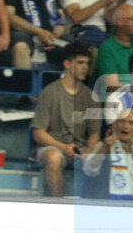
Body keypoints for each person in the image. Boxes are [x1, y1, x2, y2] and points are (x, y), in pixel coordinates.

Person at [31, 43, 101, 197]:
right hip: (55, 145)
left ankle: (94, 206)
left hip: (81, 148)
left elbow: (95, 133)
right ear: (67, 64)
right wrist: (64, 147)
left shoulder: (91, 96)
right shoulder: (50, 92)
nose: (85, 67)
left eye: (87, 64)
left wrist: (89, 149)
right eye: (80, 63)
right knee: (54, 158)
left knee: (101, 154)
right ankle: (59, 205)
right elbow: (39, 133)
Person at [81, 106, 133, 200]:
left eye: (131, 123)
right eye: (122, 121)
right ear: (114, 126)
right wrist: (104, 148)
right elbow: (89, 170)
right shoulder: (103, 147)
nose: (126, 126)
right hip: (108, 202)